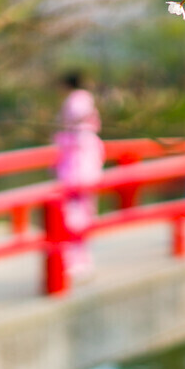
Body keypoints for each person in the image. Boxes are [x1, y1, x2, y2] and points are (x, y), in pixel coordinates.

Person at [53, 72, 105, 278]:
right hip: (85, 163)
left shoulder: (75, 102)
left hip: (77, 165)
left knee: (74, 212)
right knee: (83, 210)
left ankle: (77, 260)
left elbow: (73, 126)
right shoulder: (86, 101)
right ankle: (81, 258)